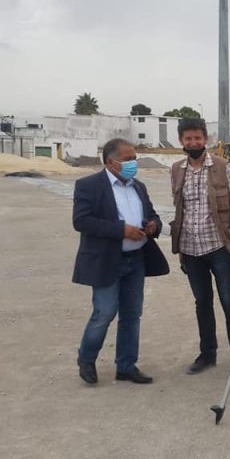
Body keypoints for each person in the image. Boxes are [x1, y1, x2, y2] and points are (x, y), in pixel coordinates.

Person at [73, 137, 169, 385]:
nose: (133, 163)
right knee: (104, 312)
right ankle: (86, 358)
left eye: (134, 158)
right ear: (110, 162)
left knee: (132, 314)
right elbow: (82, 221)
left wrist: (153, 225)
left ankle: (126, 366)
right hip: (107, 261)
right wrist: (121, 230)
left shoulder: (138, 187)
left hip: (136, 259)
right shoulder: (88, 186)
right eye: (128, 159)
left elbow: (153, 215)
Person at [169, 118, 230, 378]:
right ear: (181, 141)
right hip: (190, 249)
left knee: (229, 302)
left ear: (205, 139)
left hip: (219, 246)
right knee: (202, 302)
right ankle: (207, 354)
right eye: (188, 138)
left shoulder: (222, 167)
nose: (193, 142)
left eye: (197, 138)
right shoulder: (176, 170)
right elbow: (180, 210)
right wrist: (179, 248)